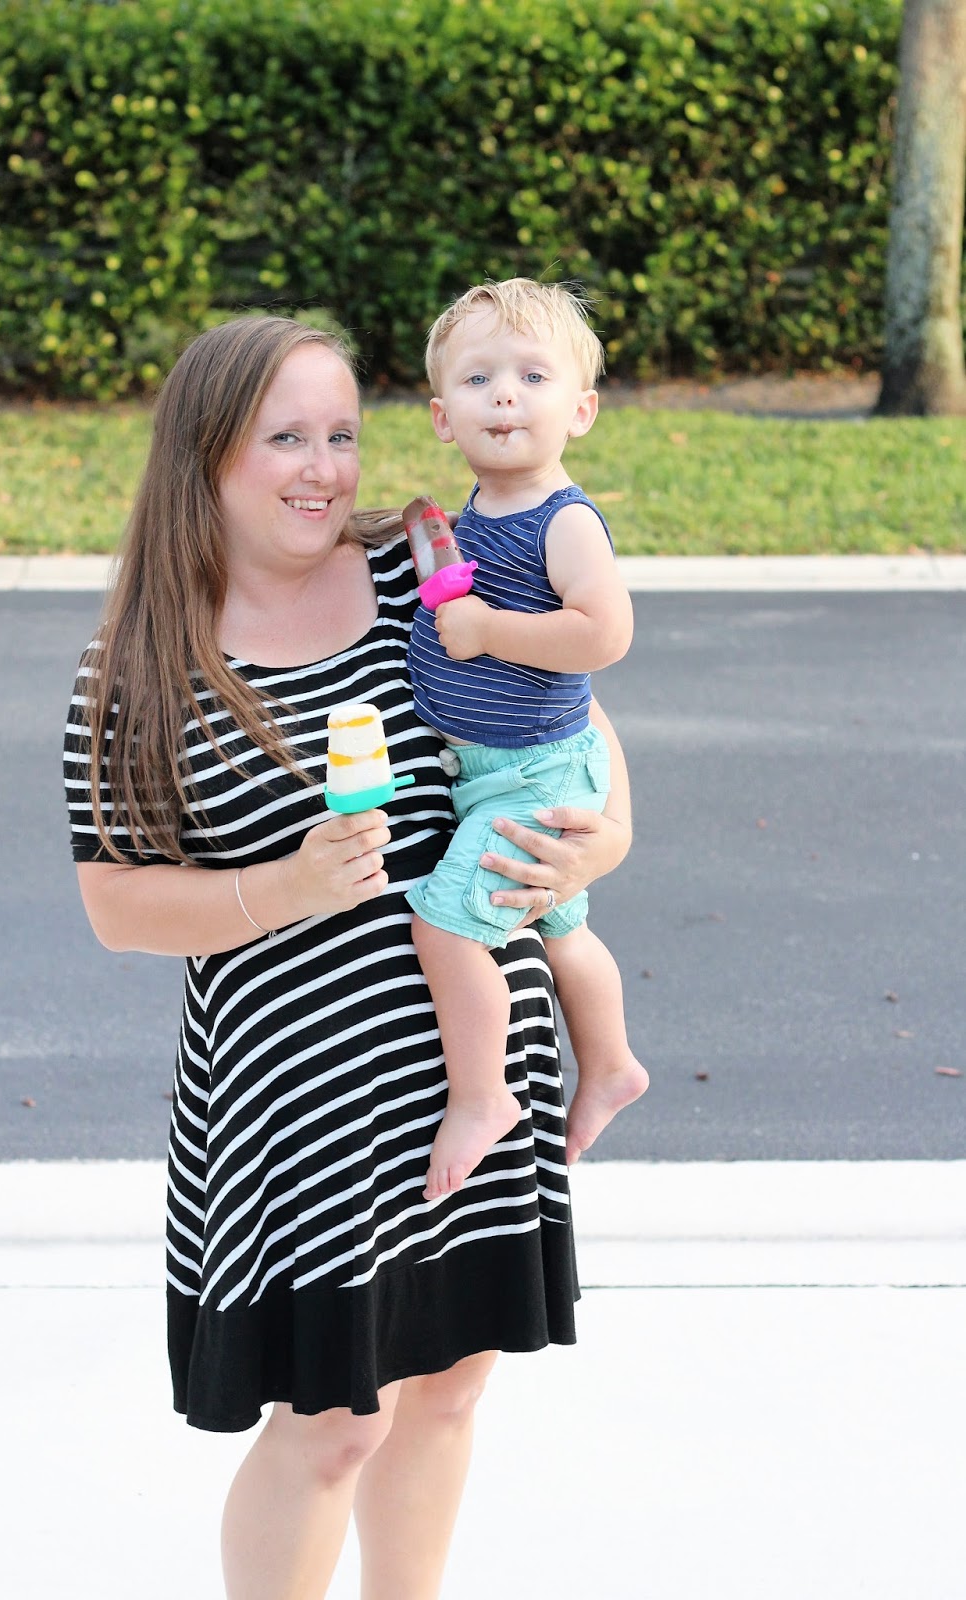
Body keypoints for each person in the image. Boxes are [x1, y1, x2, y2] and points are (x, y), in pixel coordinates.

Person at [64, 313, 632, 1600]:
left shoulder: (417, 573)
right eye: (286, 439)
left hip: (474, 1066)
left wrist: (604, 842)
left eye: (340, 435)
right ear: (207, 454)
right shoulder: (138, 661)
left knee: (443, 1390)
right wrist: (282, 884)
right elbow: (112, 901)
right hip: (298, 1097)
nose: (323, 469)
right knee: (333, 1421)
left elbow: (573, 723)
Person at [406, 278, 648, 1200]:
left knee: (443, 927)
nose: (504, 394)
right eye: (478, 379)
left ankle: (483, 1095)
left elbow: (603, 635)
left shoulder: (565, 520)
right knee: (563, 930)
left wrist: (487, 631)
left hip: (534, 777)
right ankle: (613, 1062)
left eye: (533, 374)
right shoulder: (467, 519)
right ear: (441, 416)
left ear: (580, 409)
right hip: (496, 773)